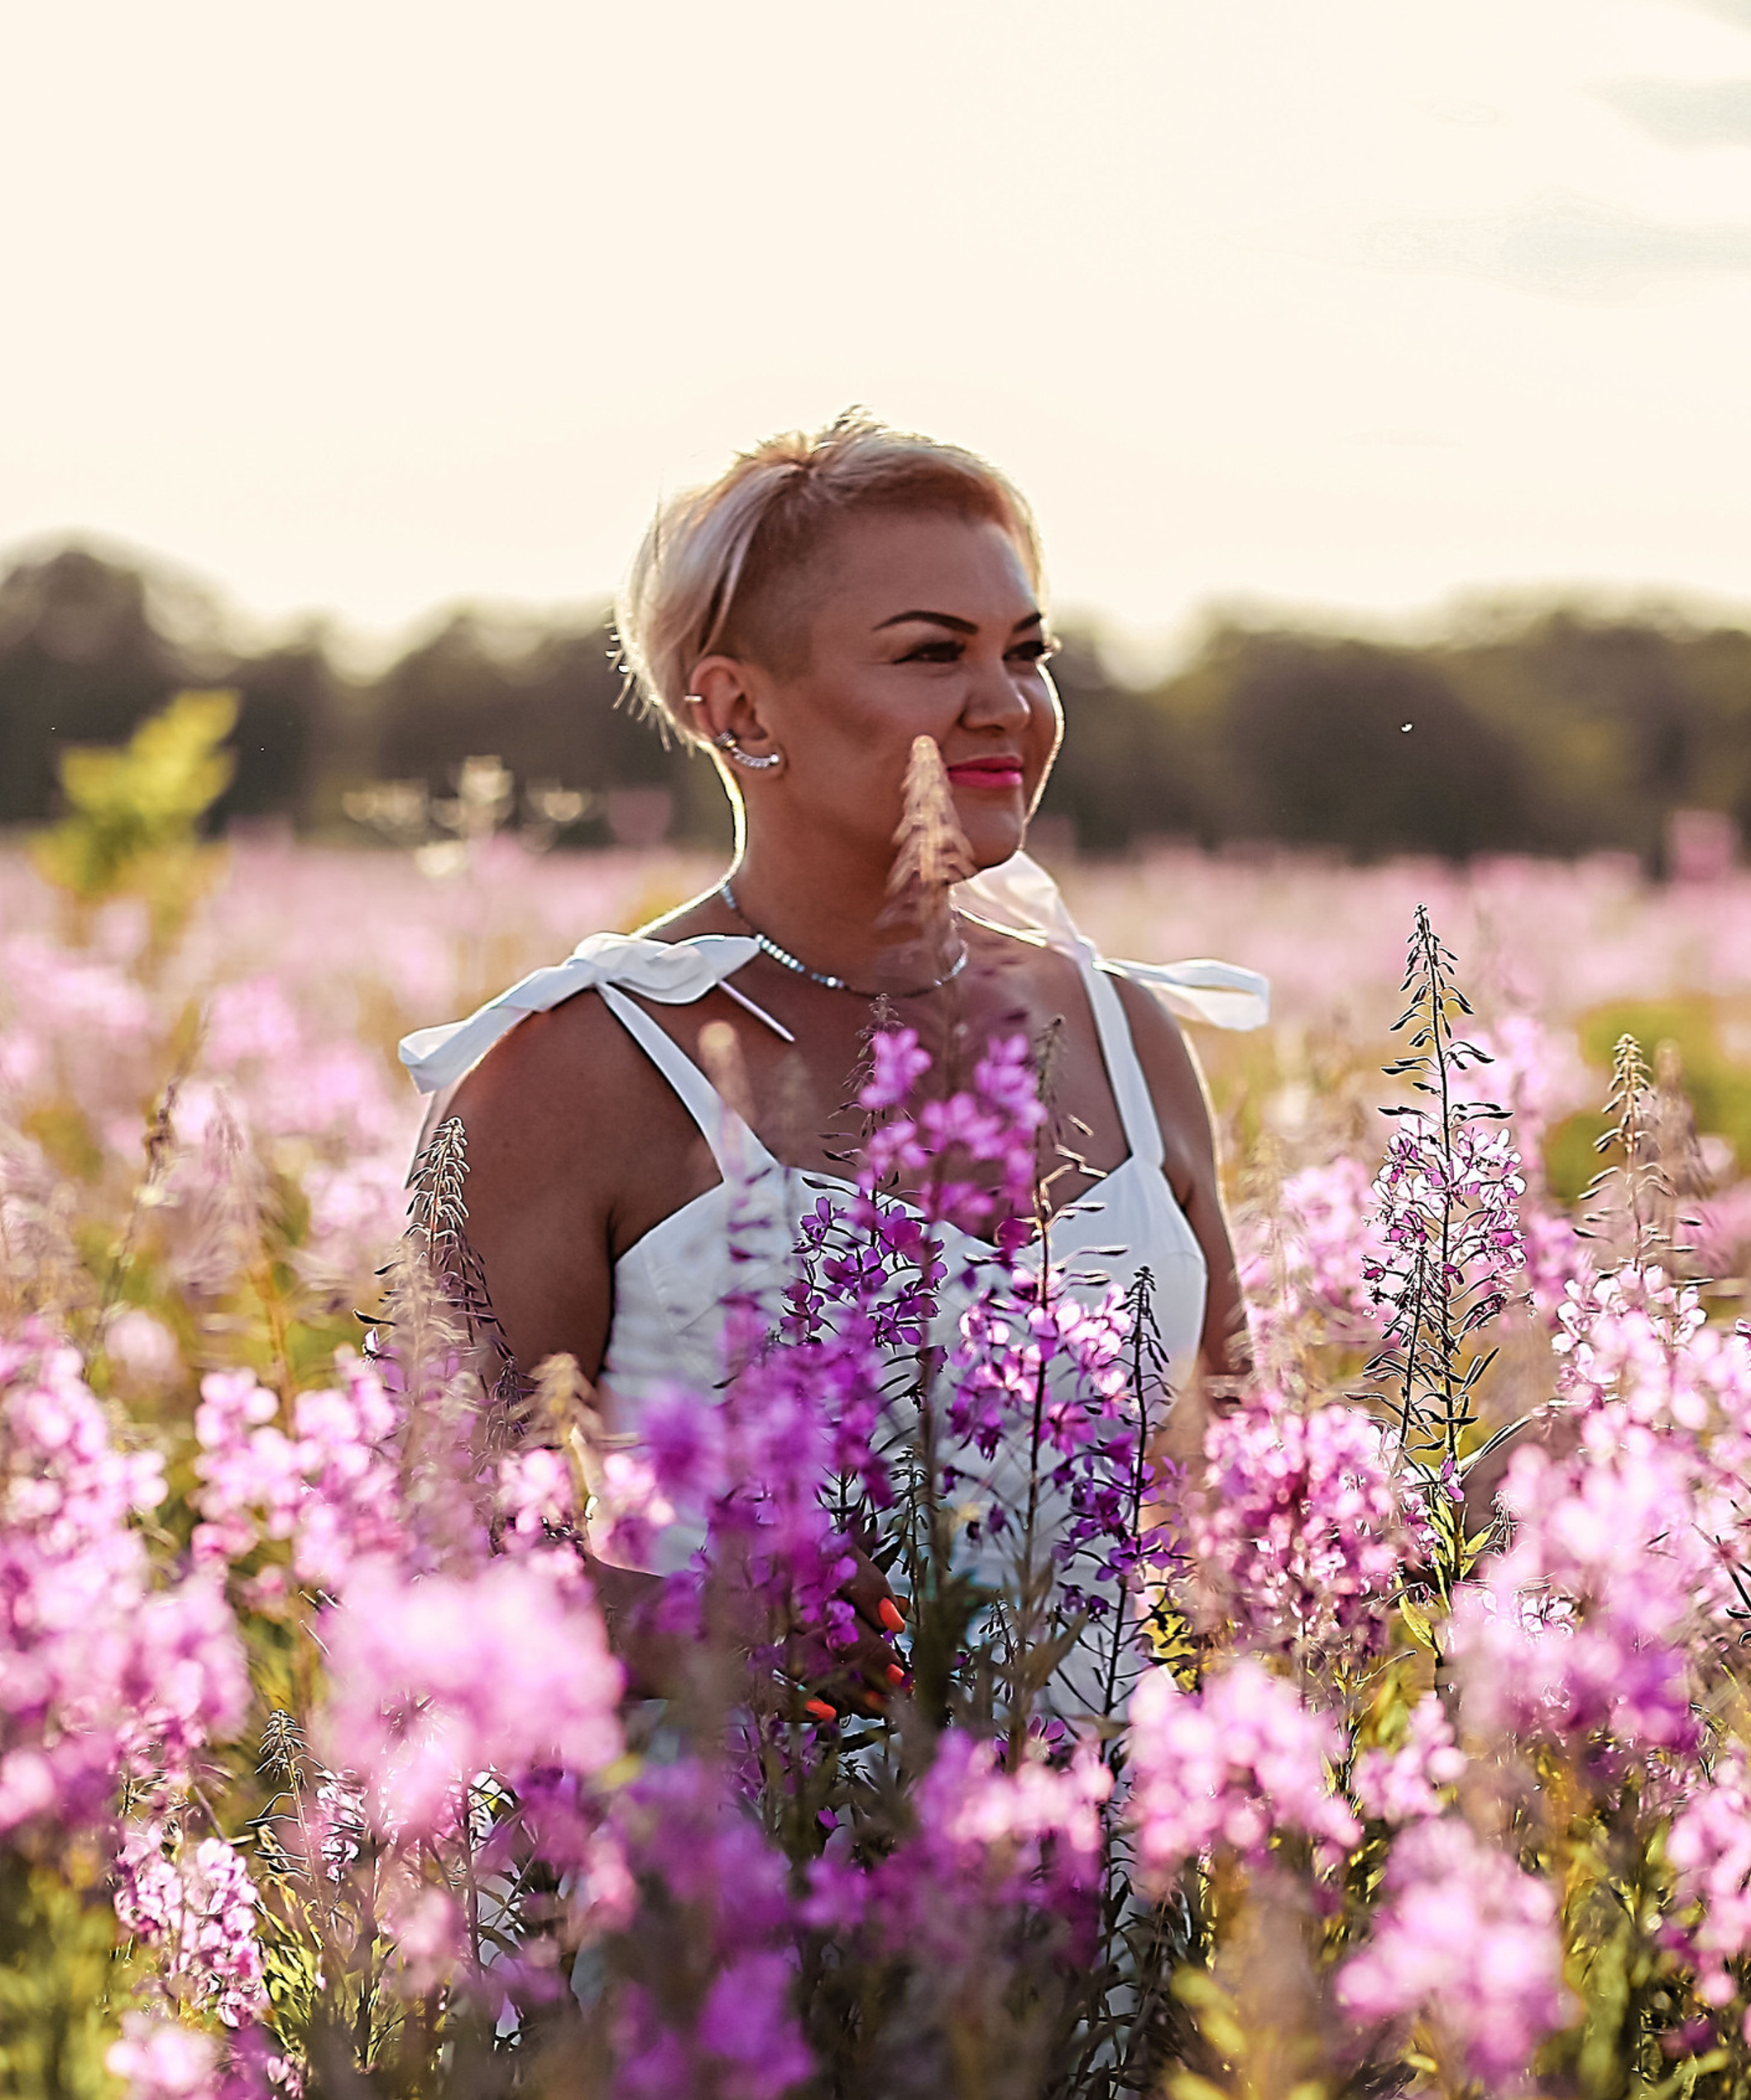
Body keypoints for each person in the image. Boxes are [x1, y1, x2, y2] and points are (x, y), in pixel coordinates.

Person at [397, 413, 1265, 1718]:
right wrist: (703, 1625)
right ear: (737, 705)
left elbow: (1228, 1485)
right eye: (932, 654)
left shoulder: (1125, 1033)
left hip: (1120, 1877)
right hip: (741, 1880)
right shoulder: (569, 1069)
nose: (1007, 704)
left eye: (1028, 652)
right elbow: (430, 1547)